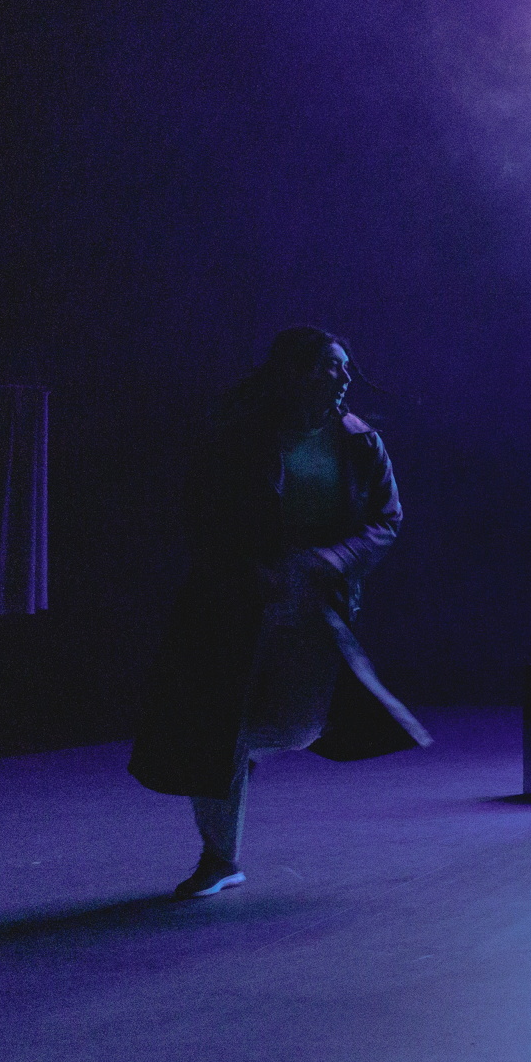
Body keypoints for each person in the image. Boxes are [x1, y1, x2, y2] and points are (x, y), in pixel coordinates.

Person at [130, 327, 429, 899]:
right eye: (329, 366)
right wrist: (247, 569)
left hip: (317, 605)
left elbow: (387, 519)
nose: (343, 377)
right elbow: (200, 514)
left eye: (345, 367)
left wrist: (333, 559)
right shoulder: (239, 437)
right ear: (294, 372)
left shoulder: (361, 442)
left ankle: (236, 751)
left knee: (297, 725)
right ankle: (219, 858)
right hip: (236, 603)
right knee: (219, 726)